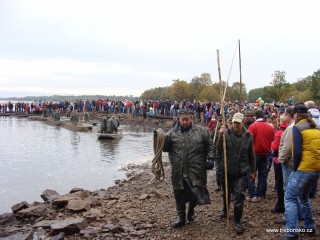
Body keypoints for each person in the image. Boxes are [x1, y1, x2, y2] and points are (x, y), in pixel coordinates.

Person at [163, 109, 215, 228]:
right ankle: (181, 217)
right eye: (183, 120)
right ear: (179, 120)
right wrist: (159, 139)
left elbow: (210, 146)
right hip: (179, 169)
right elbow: (165, 149)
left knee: (195, 191)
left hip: (196, 168)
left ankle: (191, 209)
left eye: (187, 119)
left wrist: (211, 158)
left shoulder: (201, 131)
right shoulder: (171, 134)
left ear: (191, 118)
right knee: (178, 192)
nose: (185, 122)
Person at [279, 104, 320, 240]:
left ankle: (291, 233)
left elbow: (296, 152)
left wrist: (295, 168)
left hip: (304, 168)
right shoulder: (315, 127)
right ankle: (309, 226)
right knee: (303, 197)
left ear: (296, 115)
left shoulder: (297, 128)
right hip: (316, 169)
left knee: (289, 198)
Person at [216, 112, 256, 234]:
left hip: (242, 171)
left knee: (239, 196)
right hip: (227, 169)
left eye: (238, 122)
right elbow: (218, 149)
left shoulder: (248, 135)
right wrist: (220, 136)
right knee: (226, 193)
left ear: (242, 122)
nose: (236, 125)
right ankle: (226, 210)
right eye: (234, 122)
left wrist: (253, 171)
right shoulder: (225, 133)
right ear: (231, 122)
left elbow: (251, 154)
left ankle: (237, 222)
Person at [247, 110, 274, 202]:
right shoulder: (270, 127)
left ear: (255, 116)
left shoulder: (252, 126)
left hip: (254, 154)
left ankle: (252, 194)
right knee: (263, 175)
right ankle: (260, 194)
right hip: (266, 153)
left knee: (251, 173)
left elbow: (249, 141)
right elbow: (272, 139)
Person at [271, 114, 287, 214]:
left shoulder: (279, 132)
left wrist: (272, 143)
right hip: (289, 160)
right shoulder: (292, 129)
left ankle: (281, 205)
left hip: (279, 159)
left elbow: (275, 147)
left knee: (280, 183)